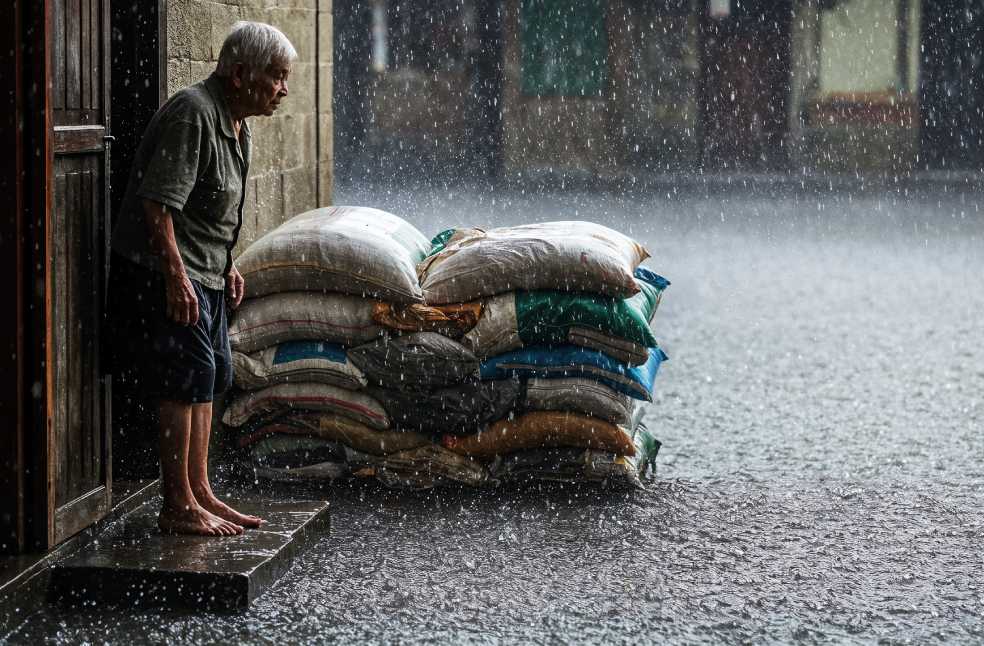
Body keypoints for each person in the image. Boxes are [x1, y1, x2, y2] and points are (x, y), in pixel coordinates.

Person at [109, 21, 296, 536]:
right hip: (168, 272)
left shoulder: (236, 123)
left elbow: (209, 212)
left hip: (206, 271)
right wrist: (176, 277)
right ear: (239, 73)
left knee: (212, 374)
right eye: (276, 77)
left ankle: (201, 490)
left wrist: (227, 263)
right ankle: (177, 504)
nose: (284, 89)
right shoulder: (193, 113)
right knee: (183, 380)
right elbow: (158, 206)